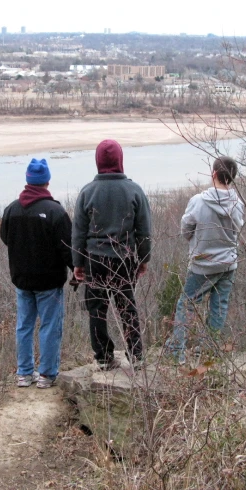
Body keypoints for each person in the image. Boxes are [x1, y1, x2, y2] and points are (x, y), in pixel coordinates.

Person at [72, 139, 151, 370]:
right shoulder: (134, 190)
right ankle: (136, 356)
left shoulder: (87, 192)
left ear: (98, 161)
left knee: (97, 309)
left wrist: (78, 263)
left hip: (94, 258)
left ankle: (104, 358)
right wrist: (143, 259)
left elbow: (78, 232)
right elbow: (144, 232)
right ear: (120, 160)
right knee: (127, 306)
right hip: (124, 258)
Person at [0, 158, 73, 389]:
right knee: (50, 326)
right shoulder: (55, 211)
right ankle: (47, 374)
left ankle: (24, 373)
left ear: (28, 180)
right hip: (49, 282)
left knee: (24, 326)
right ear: (47, 182)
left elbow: (5, 238)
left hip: (22, 279)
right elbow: (68, 248)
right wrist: (78, 271)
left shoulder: (11, 209)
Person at [167, 156, 244, 365]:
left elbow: (186, 228)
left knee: (186, 305)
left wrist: (196, 241)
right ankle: (208, 352)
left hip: (202, 264)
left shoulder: (199, 201)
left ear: (214, 174)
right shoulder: (237, 203)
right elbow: (237, 229)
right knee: (219, 306)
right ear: (232, 178)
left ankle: (176, 352)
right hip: (228, 263)